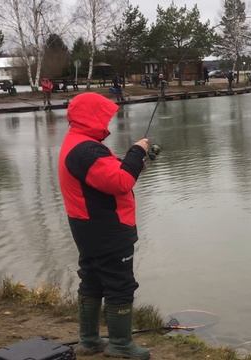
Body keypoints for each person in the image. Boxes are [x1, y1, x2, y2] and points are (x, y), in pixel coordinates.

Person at [58, 93, 150, 360]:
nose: (108, 121)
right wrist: (137, 151)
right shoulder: (87, 150)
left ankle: (89, 341)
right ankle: (120, 345)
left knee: (93, 279)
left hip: (86, 228)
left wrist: (134, 164)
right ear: (92, 117)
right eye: (105, 115)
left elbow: (107, 175)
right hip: (107, 229)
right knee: (120, 284)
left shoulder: (78, 143)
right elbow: (120, 182)